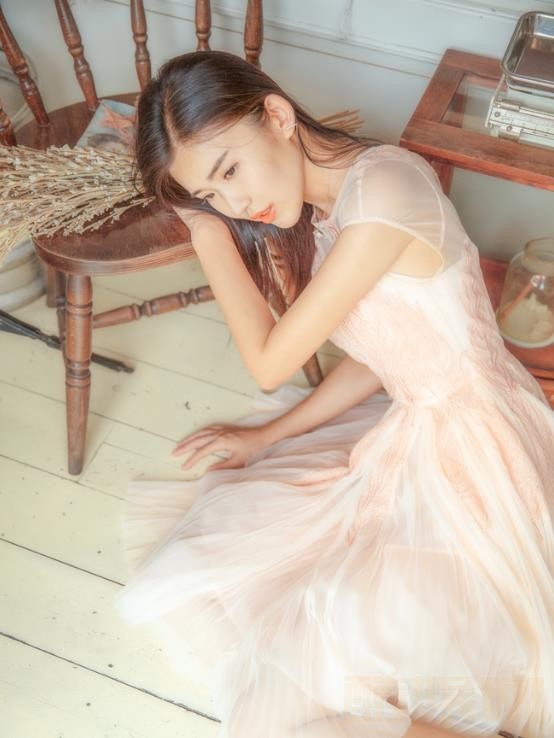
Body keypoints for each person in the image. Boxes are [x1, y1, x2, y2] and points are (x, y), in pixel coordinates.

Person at [114, 50, 554, 738]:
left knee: (310, 679)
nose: (234, 205)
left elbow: (268, 363)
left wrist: (204, 232)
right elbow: (388, 357)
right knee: (246, 595)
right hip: (418, 433)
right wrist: (267, 436)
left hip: (483, 454)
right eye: (209, 195)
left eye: (228, 171)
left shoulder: (382, 196)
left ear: (277, 115)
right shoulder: (329, 202)